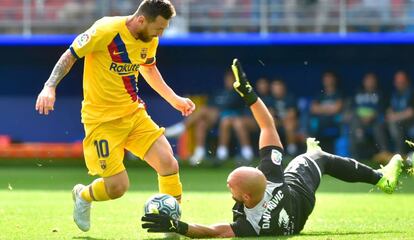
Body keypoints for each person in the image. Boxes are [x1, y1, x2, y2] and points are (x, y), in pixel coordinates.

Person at [141, 59, 404, 238]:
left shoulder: (251, 226)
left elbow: (213, 232)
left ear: (246, 197)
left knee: (315, 155)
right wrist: (250, 94)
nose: (227, 186)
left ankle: (370, 175)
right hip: (295, 195)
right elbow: (268, 126)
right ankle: (380, 179)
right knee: (316, 157)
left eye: (231, 184)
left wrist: (179, 227)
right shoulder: (272, 176)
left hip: (295, 219)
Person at [35, 0, 195, 232]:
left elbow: (148, 68)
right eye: (159, 28)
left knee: (168, 163)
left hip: (133, 114)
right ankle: (83, 194)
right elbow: (70, 55)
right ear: (141, 20)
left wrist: (174, 99)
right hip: (101, 122)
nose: (161, 33)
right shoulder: (106, 30)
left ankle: (170, 225)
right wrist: (49, 86)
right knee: (118, 187)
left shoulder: (148, 39)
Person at [166, 71, 253, 165]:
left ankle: (181, 128)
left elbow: (236, 107)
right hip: (216, 119)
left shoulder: (238, 93)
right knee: (201, 123)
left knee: (204, 110)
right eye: (227, 79)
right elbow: (210, 105)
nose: (228, 81)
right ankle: (199, 153)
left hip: (230, 118)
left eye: (231, 79)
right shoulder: (219, 92)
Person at [349, 73, 390, 162]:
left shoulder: (380, 94)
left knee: (379, 125)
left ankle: (384, 153)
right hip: (359, 121)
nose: (370, 83)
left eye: (372, 81)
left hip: (375, 121)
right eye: (368, 80)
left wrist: (372, 116)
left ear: (376, 82)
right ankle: (355, 154)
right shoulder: (358, 93)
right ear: (364, 82)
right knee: (353, 121)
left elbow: (382, 109)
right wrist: (361, 117)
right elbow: (353, 108)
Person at [309, 71, 344, 153]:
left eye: (330, 78)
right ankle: (312, 149)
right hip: (321, 120)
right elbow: (313, 108)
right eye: (326, 79)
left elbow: (337, 109)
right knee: (312, 122)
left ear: (334, 80)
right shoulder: (320, 94)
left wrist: (321, 109)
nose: (328, 81)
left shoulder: (338, 93)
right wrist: (329, 109)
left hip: (334, 120)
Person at [386, 70, 414, 155]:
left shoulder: (411, 93)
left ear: (407, 81)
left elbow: (411, 112)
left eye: (402, 81)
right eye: (398, 81)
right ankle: (385, 152)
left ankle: (401, 153)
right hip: (399, 122)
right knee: (381, 126)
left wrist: (395, 117)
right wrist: (390, 114)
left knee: (395, 123)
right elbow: (389, 109)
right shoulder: (394, 94)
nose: (400, 83)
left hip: (410, 121)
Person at [270, 79, 299, 156]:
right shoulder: (270, 99)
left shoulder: (290, 97)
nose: (277, 90)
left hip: (291, 122)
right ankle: (273, 150)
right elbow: (270, 115)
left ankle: (291, 149)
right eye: (275, 88)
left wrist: (282, 120)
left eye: (279, 87)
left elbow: (292, 114)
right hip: (277, 122)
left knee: (289, 124)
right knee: (271, 124)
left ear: (283, 88)